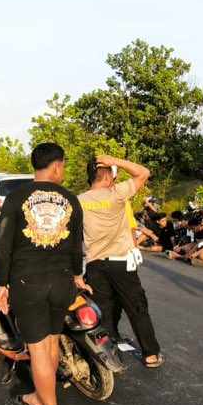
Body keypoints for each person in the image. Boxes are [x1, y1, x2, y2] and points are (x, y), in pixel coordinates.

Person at [0, 143, 88, 405]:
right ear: (56, 167)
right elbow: (76, 248)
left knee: (38, 352)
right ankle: (39, 396)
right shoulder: (71, 200)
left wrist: (2, 284)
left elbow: (3, 247)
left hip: (28, 283)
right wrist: (77, 276)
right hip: (62, 282)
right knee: (50, 345)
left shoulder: (15, 198)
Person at [79, 155, 164, 369]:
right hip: (121, 262)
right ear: (107, 177)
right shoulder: (116, 194)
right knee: (136, 307)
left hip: (95, 263)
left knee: (103, 310)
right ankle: (151, 355)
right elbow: (143, 172)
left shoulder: (78, 201)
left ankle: (106, 356)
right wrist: (113, 159)